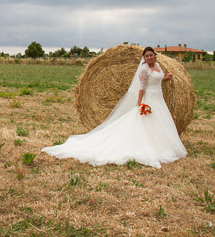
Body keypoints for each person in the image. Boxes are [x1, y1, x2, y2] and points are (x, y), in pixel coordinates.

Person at [42, 46, 187, 168]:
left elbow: (157, 80)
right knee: (147, 122)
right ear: (143, 57)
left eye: (151, 55)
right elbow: (142, 87)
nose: (149, 57)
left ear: (155, 56)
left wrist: (166, 77)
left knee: (160, 121)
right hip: (149, 98)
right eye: (147, 56)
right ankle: (151, 145)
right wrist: (140, 102)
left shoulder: (157, 66)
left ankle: (161, 145)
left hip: (159, 98)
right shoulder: (143, 70)